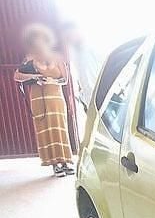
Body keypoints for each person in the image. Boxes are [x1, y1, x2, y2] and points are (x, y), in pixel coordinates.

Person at [13, 23, 74, 177]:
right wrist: (35, 76)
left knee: (59, 128)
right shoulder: (29, 59)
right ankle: (54, 164)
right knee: (45, 130)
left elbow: (65, 80)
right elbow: (17, 76)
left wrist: (51, 81)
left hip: (55, 98)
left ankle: (66, 161)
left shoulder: (57, 57)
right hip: (38, 99)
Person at [60, 21, 101, 112]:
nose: (70, 40)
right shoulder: (75, 56)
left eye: (70, 36)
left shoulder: (93, 47)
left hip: (103, 97)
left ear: (77, 31)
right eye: (67, 38)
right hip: (90, 102)